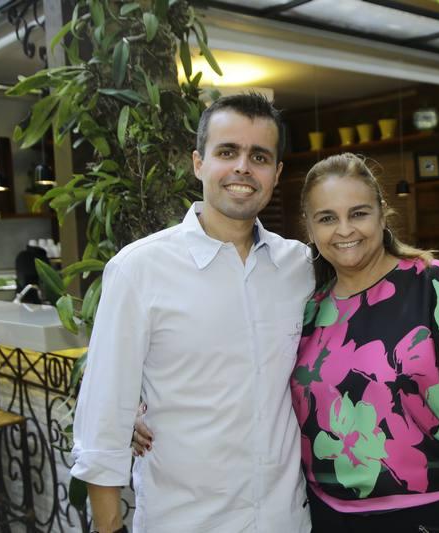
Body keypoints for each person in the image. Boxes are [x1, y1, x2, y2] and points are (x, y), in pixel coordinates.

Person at [71, 93, 314, 532]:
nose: (243, 167)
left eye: (259, 156)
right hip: (184, 521)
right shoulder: (138, 269)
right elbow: (103, 415)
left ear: (277, 174)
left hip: (287, 519)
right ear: (199, 163)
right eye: (227, 152)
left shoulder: (299, 265)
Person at [292, 153, 439, 532]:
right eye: (327, 218)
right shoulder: (310, 309)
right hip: (328, 518)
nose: (345, 229)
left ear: (382, 214)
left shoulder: (434, 286)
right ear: (309, 227)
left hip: (429, 515)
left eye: (358, 213)